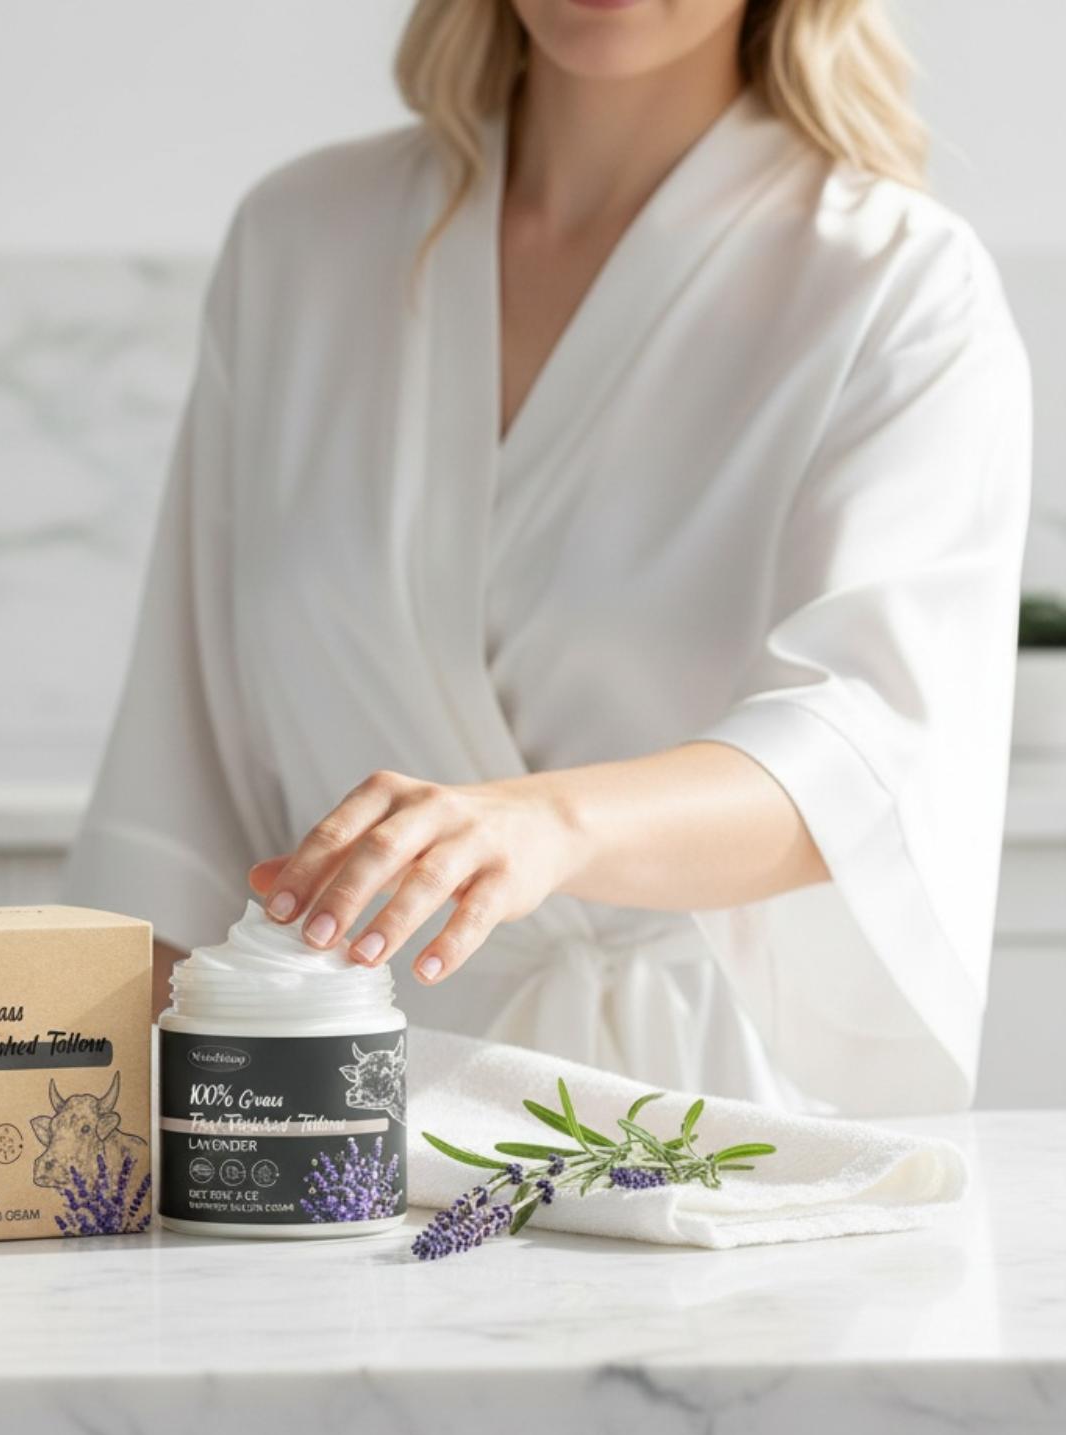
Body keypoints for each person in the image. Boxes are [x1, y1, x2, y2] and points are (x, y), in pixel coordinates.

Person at [63, 0, 1032, 1114]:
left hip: (692, 1115)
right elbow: (175, 795)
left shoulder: (891, 283)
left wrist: (547, 826)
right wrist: (122, 1145)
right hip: (322, 1112)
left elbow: (867, 753)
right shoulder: (303, 242)